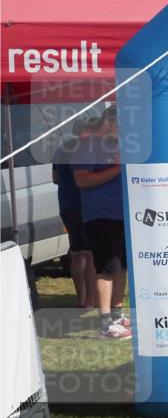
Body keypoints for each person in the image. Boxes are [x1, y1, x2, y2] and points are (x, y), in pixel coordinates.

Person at [72, 107, 129, 339]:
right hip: (101, 216)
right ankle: (105, 323)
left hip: (123, 215)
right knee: (108, 267)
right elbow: (82, 181)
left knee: (122, 267)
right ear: (111, 122)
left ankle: (117, 314)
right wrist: (117, 169)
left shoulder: (119, 145)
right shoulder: (87, 146)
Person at [52, 120, 96, 309]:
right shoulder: (89, 149)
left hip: (67, 204)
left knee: (77, 253)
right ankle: (91, 300)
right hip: (86, 204)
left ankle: (81, 298)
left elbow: (55, 179)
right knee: (91, 254)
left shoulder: (61, 149)